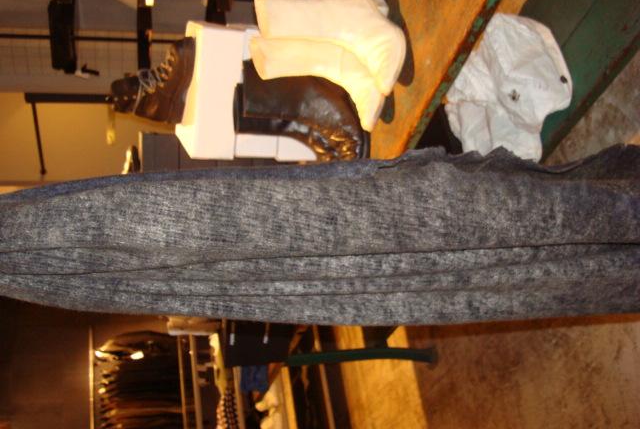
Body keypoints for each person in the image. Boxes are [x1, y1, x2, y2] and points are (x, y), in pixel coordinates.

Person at [1, 145, 638, 326]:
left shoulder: (25, 257)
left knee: (475, 227)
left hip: (338, 234)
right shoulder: (23, 246)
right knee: (468, 219)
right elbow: (177, 223)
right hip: (345, 225)